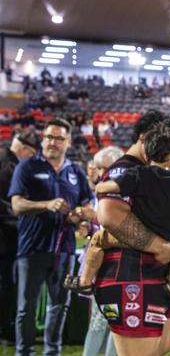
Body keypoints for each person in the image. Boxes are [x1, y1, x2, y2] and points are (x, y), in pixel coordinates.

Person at [65, 124, 170, 297]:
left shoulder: (137, 173)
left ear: (146, 153)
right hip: (169, 237)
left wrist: (100, 186)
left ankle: (84, 282)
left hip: (141, 237)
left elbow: (109, 187)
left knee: (98, 239)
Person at [93, 111, 170, 356]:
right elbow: (109, 214)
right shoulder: (124, 170)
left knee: (163, 345)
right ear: (144, 138)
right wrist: (159, 245)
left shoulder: (150, 173)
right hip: (131, 275)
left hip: (150, 276)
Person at [9, 118, 94, 355]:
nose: (52, 142)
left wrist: (79, 215)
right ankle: (24, 351)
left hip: (63, 249)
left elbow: (87, 208)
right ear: (43, 139)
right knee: (26, 307)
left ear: (67, 142)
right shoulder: (27, 167)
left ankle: (52, 352)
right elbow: (16, 205)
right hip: (32, 248)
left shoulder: (75, 171)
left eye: (58, 138)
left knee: (59, 306)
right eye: (48, 137)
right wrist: (47, 204)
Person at [80, 147, 125, 356]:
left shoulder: (124, 191)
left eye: (103, 168)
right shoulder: (104, 190)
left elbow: (122, 226)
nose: (99, 173)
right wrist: (89, 227)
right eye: (97, 168)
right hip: (102, 265)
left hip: (119, 265)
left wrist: (94, 217)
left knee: (114, 321)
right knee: (99, 320)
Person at [0, 132, 38, 344]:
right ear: (24, 150)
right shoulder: (13, 168)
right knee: (9, 284)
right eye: (31, 154)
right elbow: (13, 206)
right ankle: (7, 330)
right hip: (7, 236)